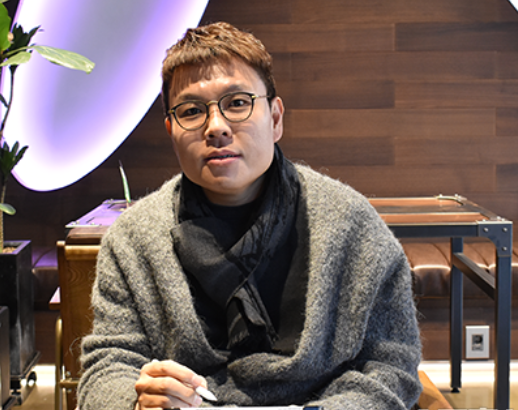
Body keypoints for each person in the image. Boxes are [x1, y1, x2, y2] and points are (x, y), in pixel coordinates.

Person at [78, 22, 422, 410]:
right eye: (191, 111)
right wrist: (137, 402)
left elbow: (391, 367)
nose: (216, 127)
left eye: (238, 103)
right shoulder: (133, 239)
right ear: (171, 130)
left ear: (275, 118)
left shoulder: (352, 225)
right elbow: (106, 369)